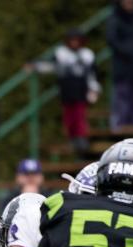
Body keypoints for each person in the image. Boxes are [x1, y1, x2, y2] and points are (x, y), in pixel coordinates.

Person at [33, 29, 101, 157]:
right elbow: (50, 66)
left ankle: (81, 137)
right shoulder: (61, 53)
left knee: (79, 114)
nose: (74, 43)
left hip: (81, 89)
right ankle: (72, 138)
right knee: (69, 116)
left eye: (77, 40)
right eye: (72, 40)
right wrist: (35, 66)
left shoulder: (87, 55)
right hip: (66, 89)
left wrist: (94, 89)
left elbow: (92, 74)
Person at [106, 0, 133, 128]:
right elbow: (112, 40)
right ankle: (120, 126)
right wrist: (128, 51)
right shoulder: (114, 19)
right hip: (122, 66)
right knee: (122, 98)